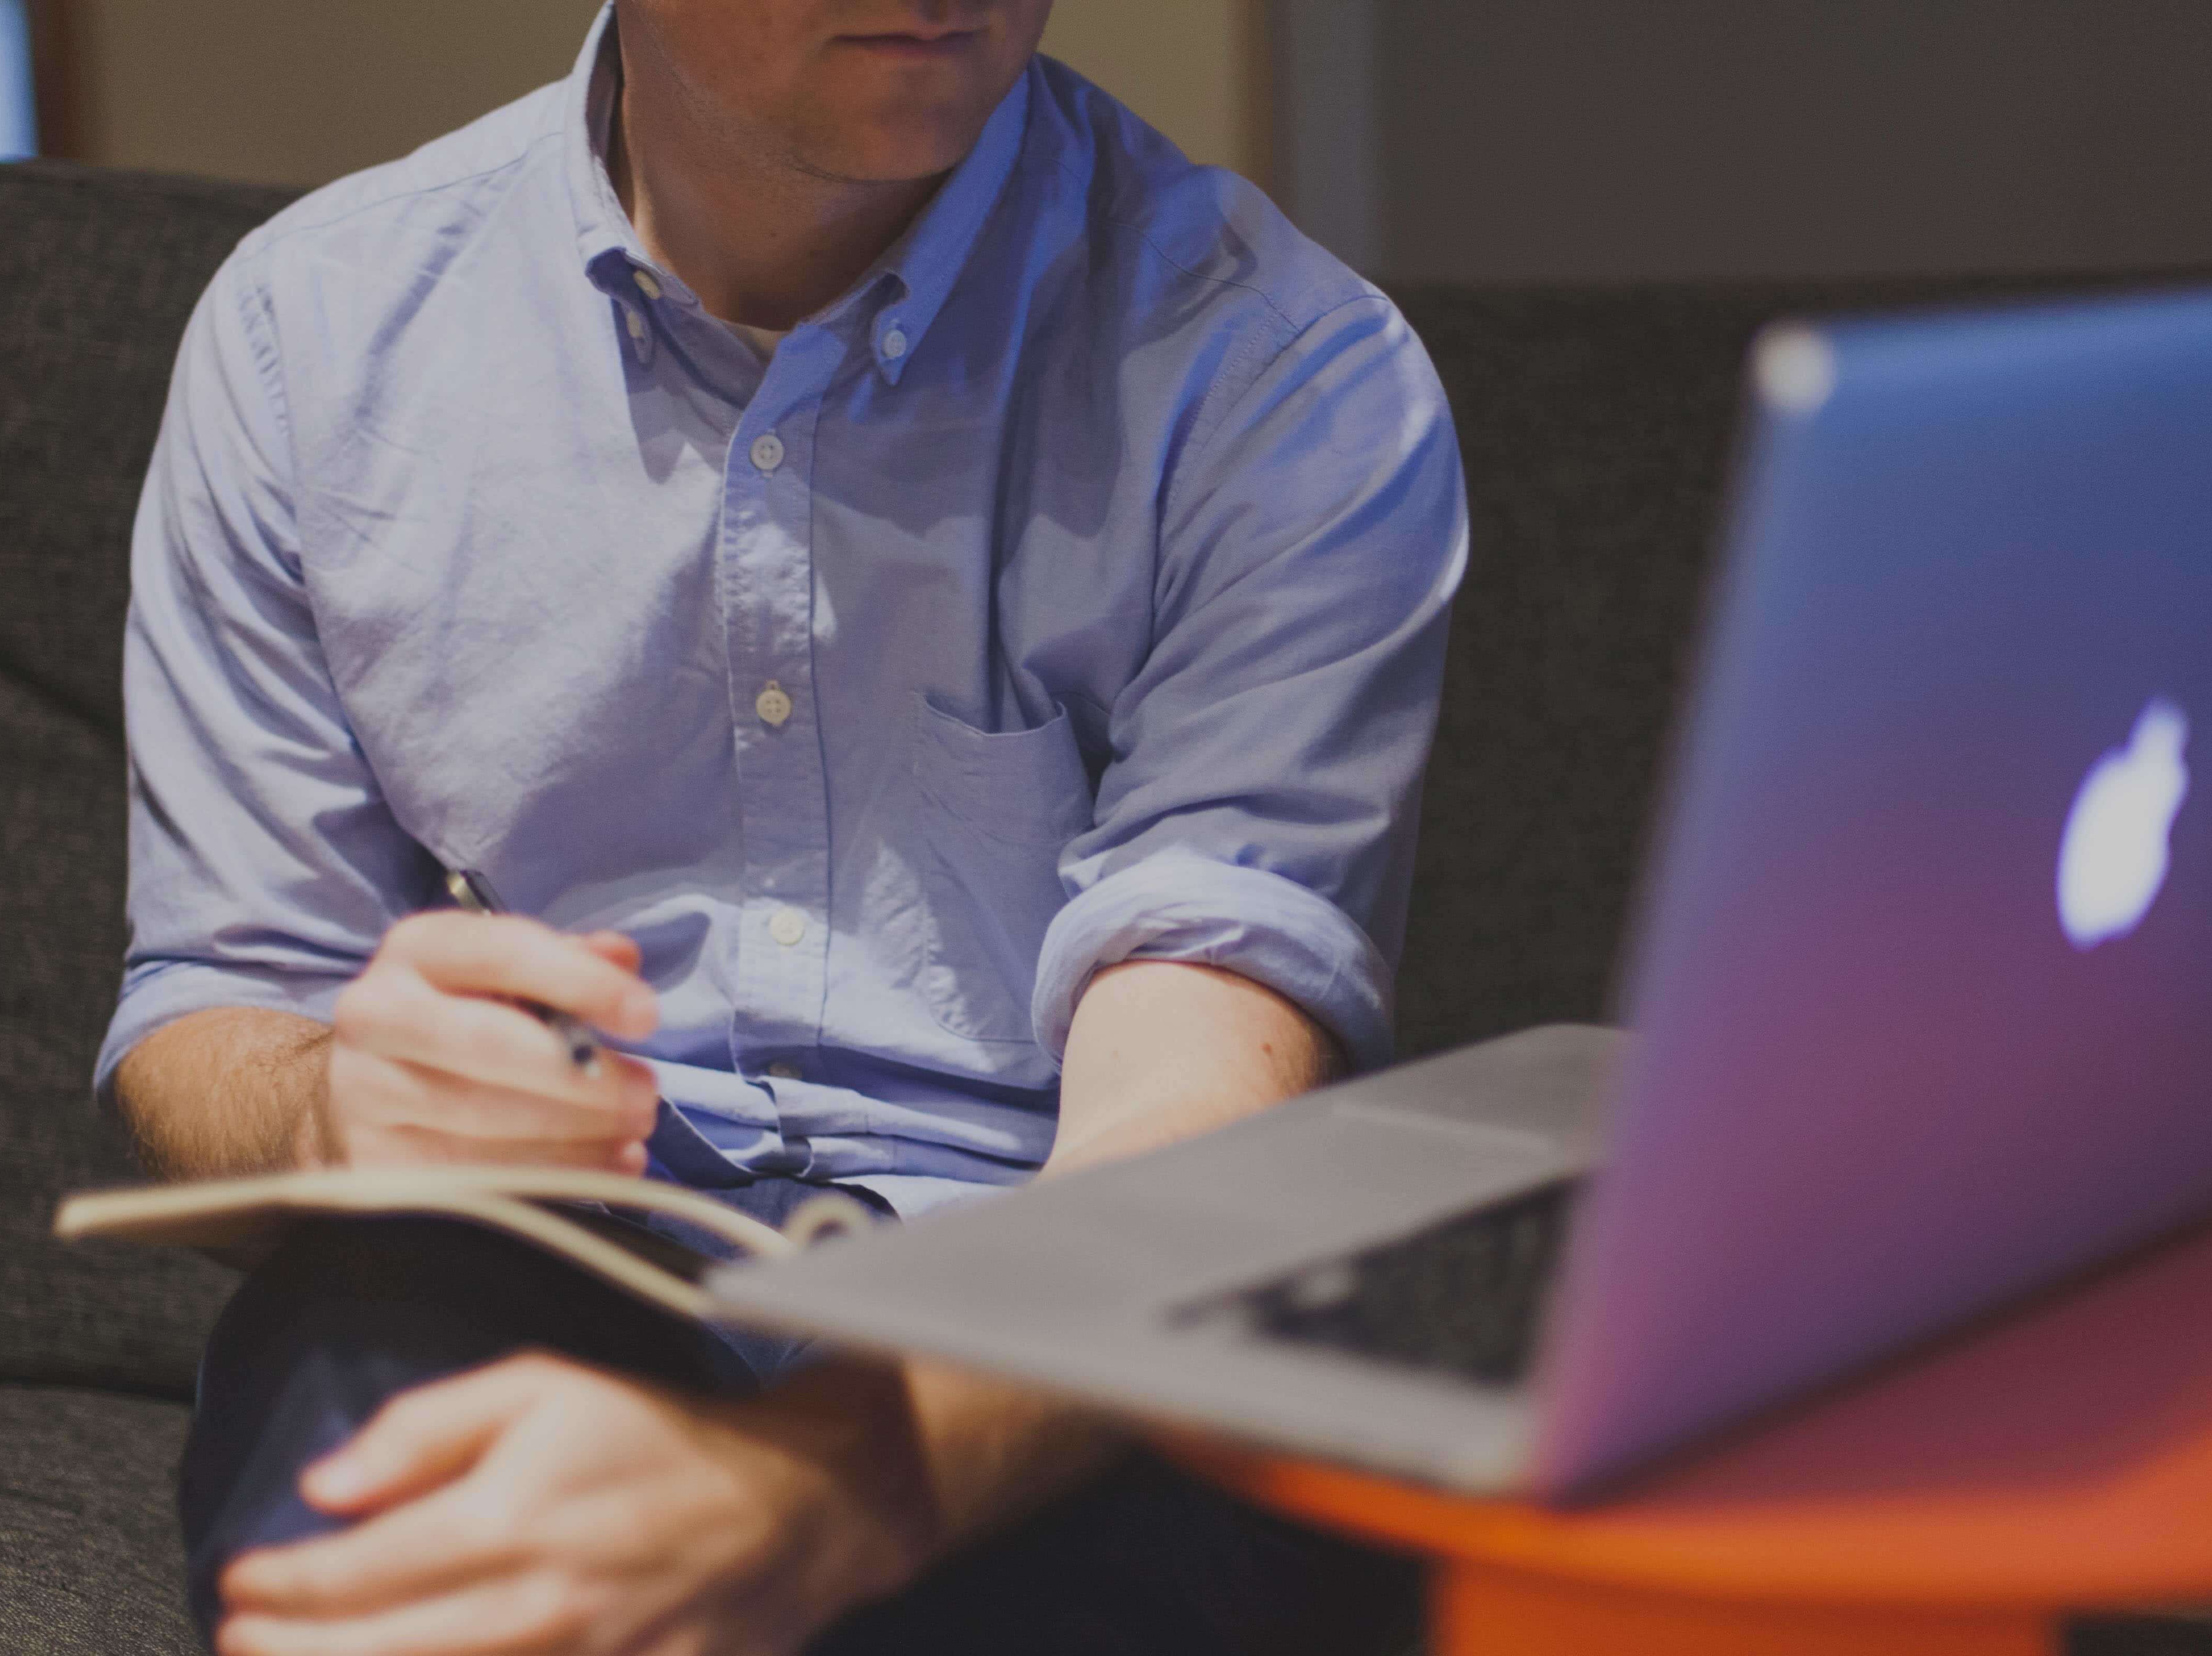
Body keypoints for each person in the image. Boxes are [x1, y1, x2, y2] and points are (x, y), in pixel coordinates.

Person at [101, 1, 1466, 1650]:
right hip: (549, 1245)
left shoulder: (1281, 378)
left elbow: (1178, 1130)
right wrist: (337, 1112)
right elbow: (214, 999)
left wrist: (805, 1491)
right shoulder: (309, 343)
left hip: (1055, 1304)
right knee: (368, 1410)